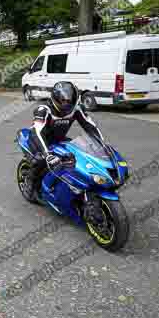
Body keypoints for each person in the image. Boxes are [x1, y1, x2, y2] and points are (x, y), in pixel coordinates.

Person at [26, 81, 107, 222]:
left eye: (69, 101)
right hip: (40, 141)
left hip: (59, 140)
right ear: (55, 98)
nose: (66, 104)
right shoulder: (43, 110)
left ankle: (71, 187)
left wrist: (102, 145)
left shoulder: (76, 109)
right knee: (40, 160)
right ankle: (30, 184)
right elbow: (36, 132)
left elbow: (90, 126)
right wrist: (47, 154)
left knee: (76, 156)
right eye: (63, 101)